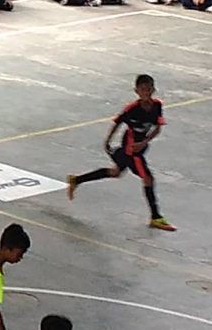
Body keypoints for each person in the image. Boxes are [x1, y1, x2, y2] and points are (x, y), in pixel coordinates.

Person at [65, 73, 173, 231]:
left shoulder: (157, 106)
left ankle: (76, 180)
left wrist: (144, 142)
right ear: (136, 91)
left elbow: (157, 128)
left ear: (153, 90)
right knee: (148, 178)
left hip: (139, 147)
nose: (146, 92)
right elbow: (117, 122)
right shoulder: (132, 109)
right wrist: (108, 141)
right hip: (130, 150)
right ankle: (156, 217)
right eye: (143, 89)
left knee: (115, 172)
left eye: (149, 89)